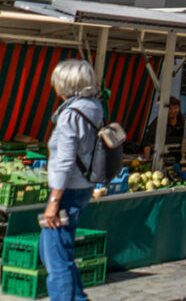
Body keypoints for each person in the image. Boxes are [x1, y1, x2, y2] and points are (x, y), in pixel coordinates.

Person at [41, 60, 105, 301]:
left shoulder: (70, 115)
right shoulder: (94, 107)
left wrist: (54, 201)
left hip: (66, 190)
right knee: (56, 251)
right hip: (83, 186)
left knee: (57, 258)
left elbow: (64, 161)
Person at [141, 95, 184, 160]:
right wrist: (147, 160)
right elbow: (147, 143)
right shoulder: (157, 123)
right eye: (170, 108)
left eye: (175, 108)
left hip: (180, 158)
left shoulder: (183, 122)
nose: (173, 111)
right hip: (161, 158)